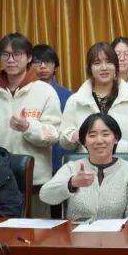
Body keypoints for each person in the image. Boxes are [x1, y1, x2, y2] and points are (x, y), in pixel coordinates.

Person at [0, 33, 62, 217]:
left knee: (37, 233)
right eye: (5, 55)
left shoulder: (45, 92)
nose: (11, 60)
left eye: (17, 54)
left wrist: (29, 128)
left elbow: (54, 134)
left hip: (36, 183)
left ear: (28, 58)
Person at [42, 113, 128, 220]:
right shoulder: (71, 168)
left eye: (105, 134)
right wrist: (71, 183)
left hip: (118, 231)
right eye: (92, 135)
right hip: (76, 230)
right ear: (84, 141)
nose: (99, 141)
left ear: (116, 138)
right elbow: (45, 196)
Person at [60, 42, 128, 155]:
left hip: (123, 163)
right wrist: (73, 136)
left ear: (116, 66)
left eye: (109, 62)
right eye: (97, 63)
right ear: (90, 69)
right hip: (86, 163)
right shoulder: (76, 101)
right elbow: (63, 139)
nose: (104, 68)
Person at [31, 43, 74, 176]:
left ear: (55, 66)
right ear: (29, 66)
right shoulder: (24, 95)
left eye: (48, 61)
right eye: (37, 62)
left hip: (61, 159)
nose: (43, 66)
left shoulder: (69, 97)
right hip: (33, 160)